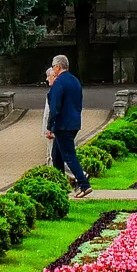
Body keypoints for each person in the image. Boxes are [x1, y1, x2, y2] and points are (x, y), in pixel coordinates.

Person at [44, 55, 92, 199]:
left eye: (53, 67)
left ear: (58, 67)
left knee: (69, 155)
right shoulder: (75, 81)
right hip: (74, 123)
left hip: (62, 125)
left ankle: (84, 184)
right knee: (56, 155)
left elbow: (55, 107)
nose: (53, 69)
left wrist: (50, 126)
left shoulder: (59, 83)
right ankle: (59, 186)